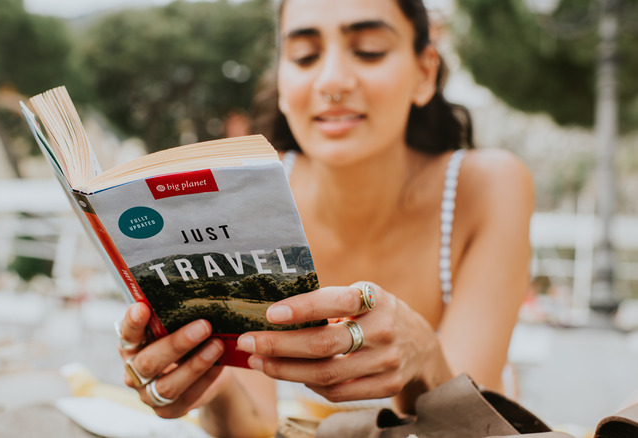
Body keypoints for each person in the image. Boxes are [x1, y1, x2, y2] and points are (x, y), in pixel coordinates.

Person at [116, 0, 535, 436]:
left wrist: (424, 356)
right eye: (304, 56)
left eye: (369, 50)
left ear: (425, 71)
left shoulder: (488, 187)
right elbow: (254, 429)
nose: (332, 80)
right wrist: (210, 383)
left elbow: (468, 429)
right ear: (281, 79)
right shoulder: (245, 194)